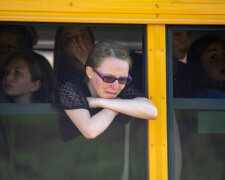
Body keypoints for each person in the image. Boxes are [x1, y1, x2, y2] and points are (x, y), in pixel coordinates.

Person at [59, 40, 158, 139]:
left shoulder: (120, 86)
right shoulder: (71, 89)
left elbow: (152, 111)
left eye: (123, 79)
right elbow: (90, 131)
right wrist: (116, 105)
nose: (115, 86)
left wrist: (100, 102)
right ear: (90, 72)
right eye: (108, 78)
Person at [172, 30, 192, 98]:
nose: (186, 42)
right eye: (177, 34)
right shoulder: (140, 65)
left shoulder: (189, 72)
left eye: (189, 34)